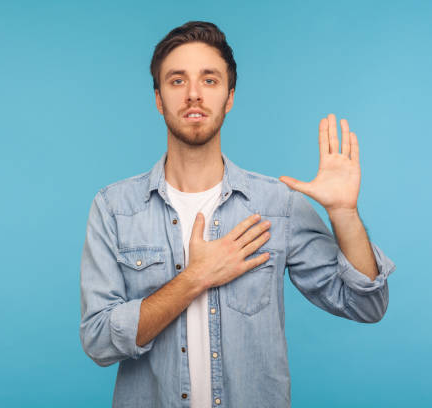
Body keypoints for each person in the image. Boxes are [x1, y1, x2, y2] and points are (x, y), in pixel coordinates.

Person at [79, 20, 396, 408]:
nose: (193, 94)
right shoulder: (114, 208)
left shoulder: (277, 206)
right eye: (177, 81)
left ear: (229, 97)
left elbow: (366, 304)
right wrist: (195, 278)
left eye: (209, 80)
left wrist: (344, 213)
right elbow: (98, 340)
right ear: (158, 99)